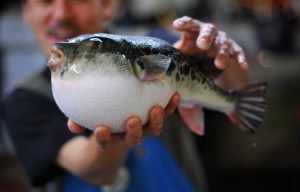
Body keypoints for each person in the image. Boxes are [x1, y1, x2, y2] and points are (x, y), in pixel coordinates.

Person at [2, 0, 249, 191]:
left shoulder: (158, 44)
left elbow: (241, 89)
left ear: (107, 5)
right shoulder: (24, 100)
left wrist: (221, 50)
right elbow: (97, 172)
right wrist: (118, 131)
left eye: (78, 0)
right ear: (27, 11)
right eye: (45, 1)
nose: (61, 13)